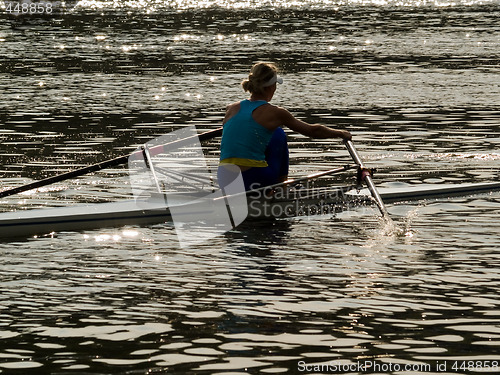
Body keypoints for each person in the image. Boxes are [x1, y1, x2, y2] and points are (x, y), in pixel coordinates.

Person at [218, 62, 351, 191]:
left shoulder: (231, 109)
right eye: (275, 85)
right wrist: (340, 133)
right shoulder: (276, 113)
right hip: (253, 179)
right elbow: (313, 130)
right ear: (270, 87)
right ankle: (281, 189)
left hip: (225, 179)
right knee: (278, 134)